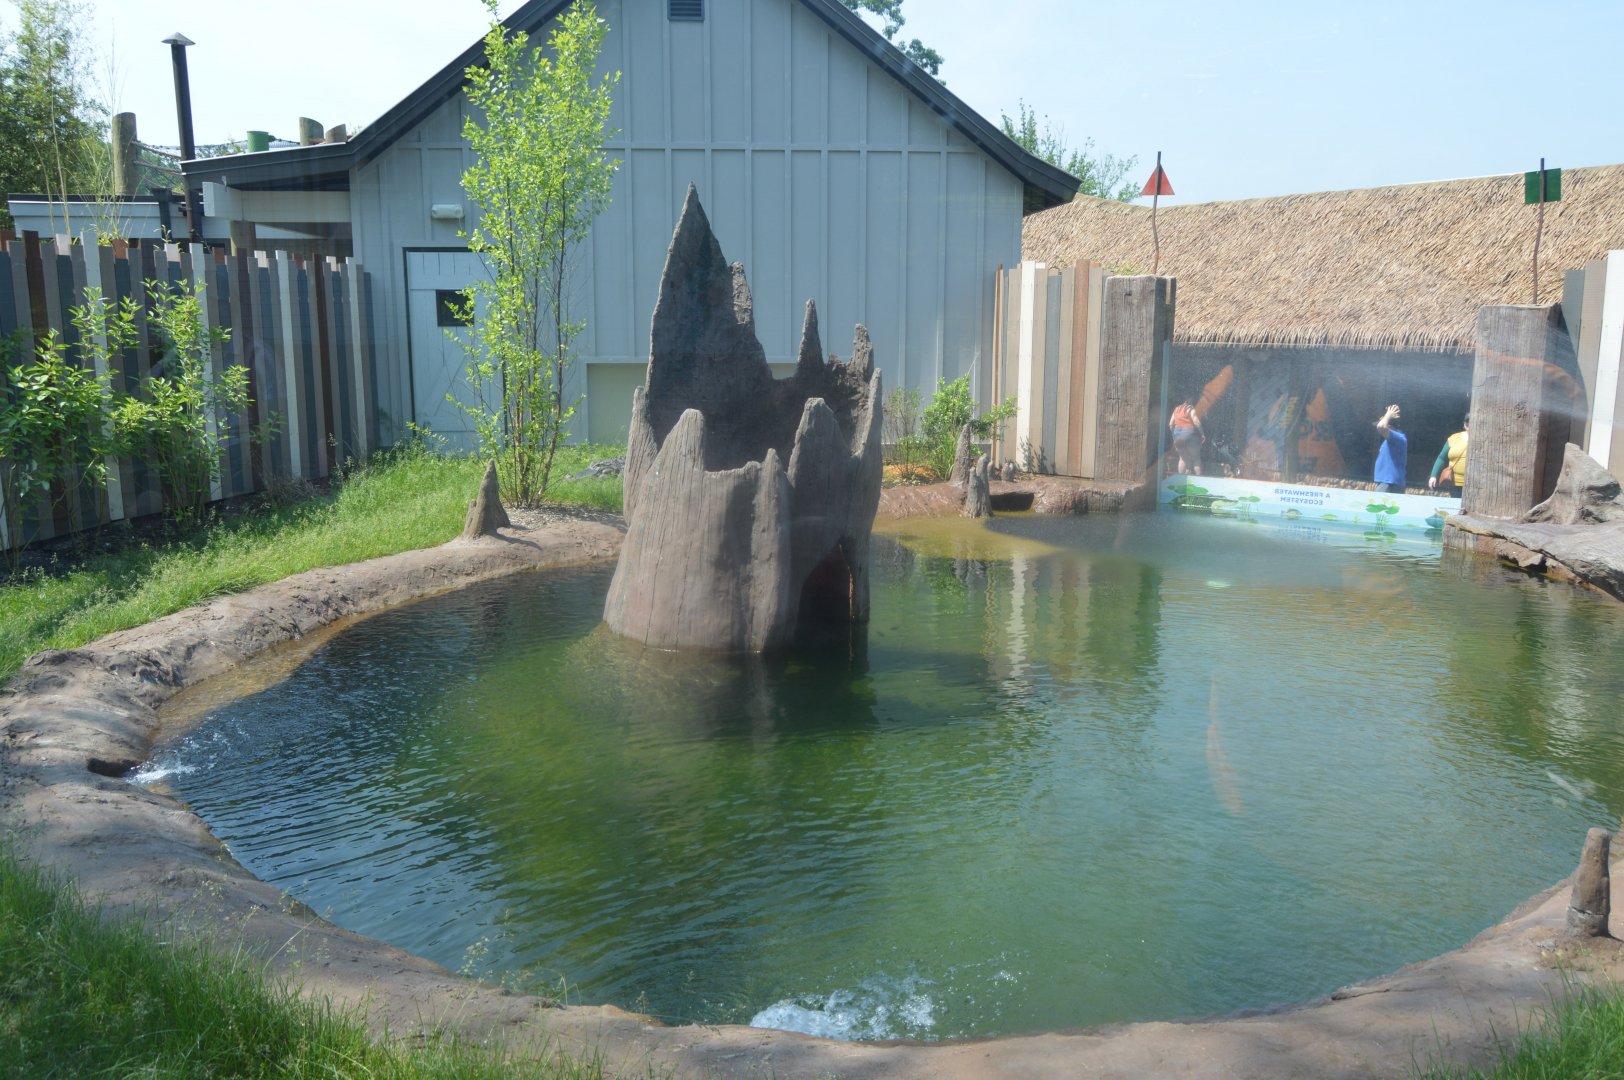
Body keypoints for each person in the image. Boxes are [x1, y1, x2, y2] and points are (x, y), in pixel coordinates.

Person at [1427, 414, 1469, 498]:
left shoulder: (1484, 439)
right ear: (1464, 424)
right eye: (1467, 422)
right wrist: (1433, 476)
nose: (1469, 425)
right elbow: (1441, 458)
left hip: (1476, 485)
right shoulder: (1454, 438)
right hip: (1455, 484)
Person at [1372, 403, 1407, 493]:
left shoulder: (1399, 438)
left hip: (1390, 483)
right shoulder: (1390, 440)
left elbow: (1381, 426)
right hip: (1387, 482)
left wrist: (1388, 415)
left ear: (1390, 426)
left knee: (1377, 505)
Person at [1168, 396, 1205, 475]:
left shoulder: (1176, 409)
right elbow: (1196, 421)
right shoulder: (1190, 408)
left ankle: (1181, 479)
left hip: (1178, 435)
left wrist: (1174, 436)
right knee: (1196, 459)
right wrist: (1202, 433)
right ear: (1190, 399)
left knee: (1182, 459)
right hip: (1190, 434)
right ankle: (1199, 480)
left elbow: (1171, 424)